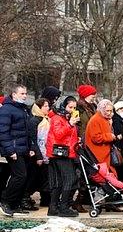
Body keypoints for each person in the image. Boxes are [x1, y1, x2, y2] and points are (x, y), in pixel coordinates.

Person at [0, 84, 37, 217]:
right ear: (14, 94)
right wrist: (10, 150)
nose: (25, 96)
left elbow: (28, 131)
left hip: (23, 149)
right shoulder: (6, 109)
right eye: (22, 93)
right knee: (19, 176)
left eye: (25, 93)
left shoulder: (23, 109)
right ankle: (5, 201)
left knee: (24, 177)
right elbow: (3, 132)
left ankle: (14, 204)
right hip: (13, 149)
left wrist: (31, 147)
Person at [45, 95, 80, 217]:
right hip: (60, 153)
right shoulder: (57, 118)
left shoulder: (67, 118)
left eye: (75, 107)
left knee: (59, 182)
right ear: (64, 106)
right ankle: (63, 207)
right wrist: (70, 124)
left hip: (66, 152)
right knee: (70, 179)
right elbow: (59, 135)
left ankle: (53, 208)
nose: (72, 110)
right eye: (70, 107)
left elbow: (69, 136)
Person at [84, 99, 117, 168]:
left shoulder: (104, 119)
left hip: (103, 154)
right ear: (101, 109)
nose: (109, 113)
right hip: (98, 155)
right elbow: (96, 138)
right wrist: (110, 136)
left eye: (111, 111)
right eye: (107, 111)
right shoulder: (96, 120)